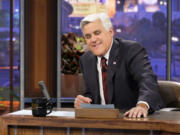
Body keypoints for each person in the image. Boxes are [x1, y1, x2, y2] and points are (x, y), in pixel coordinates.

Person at [74, 12, 164, 118]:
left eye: (97, 33)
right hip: (101, 123)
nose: (93, 40)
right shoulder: (86, 60)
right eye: (88, 36)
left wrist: (142, 106)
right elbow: (92, 94)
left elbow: (147, 81)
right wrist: (83, 101)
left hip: (132, 120)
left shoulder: (131, 51)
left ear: (110, 32)